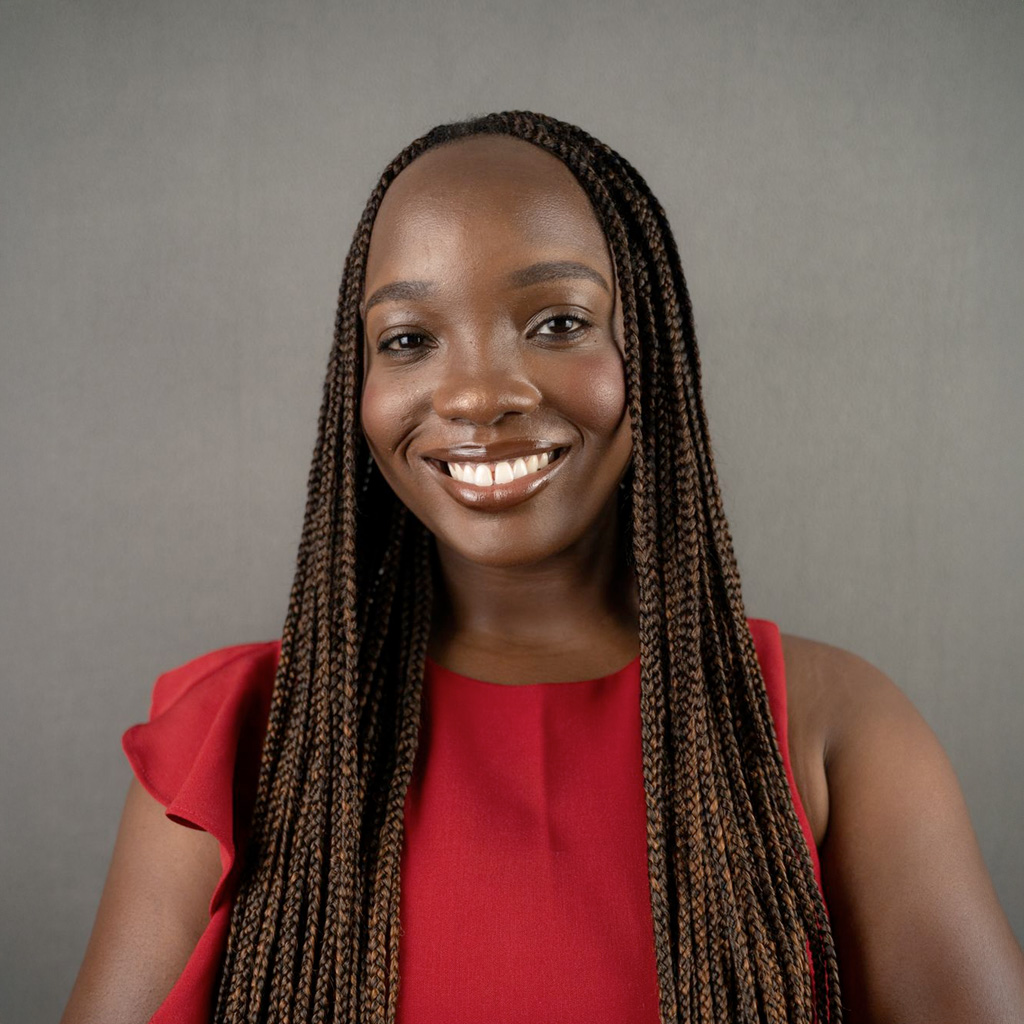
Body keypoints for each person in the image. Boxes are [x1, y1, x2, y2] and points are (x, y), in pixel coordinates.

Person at [61, 111, 1024, 1024]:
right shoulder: (234, 742)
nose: (479, 395)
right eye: (409, 340)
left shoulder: (832, 730)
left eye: (557, 323)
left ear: (649, 346)